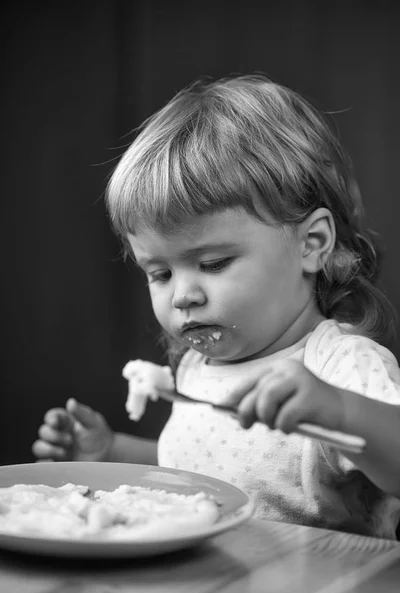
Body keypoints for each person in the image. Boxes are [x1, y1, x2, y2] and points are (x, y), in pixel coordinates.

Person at [32, 75, 400, 539]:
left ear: (312, 243)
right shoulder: (197, 367)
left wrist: (340, 410)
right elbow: (205, 470)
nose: (183, 295)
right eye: (159, 274)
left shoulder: (340, 365)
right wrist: (110, 452)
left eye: (213, 262)